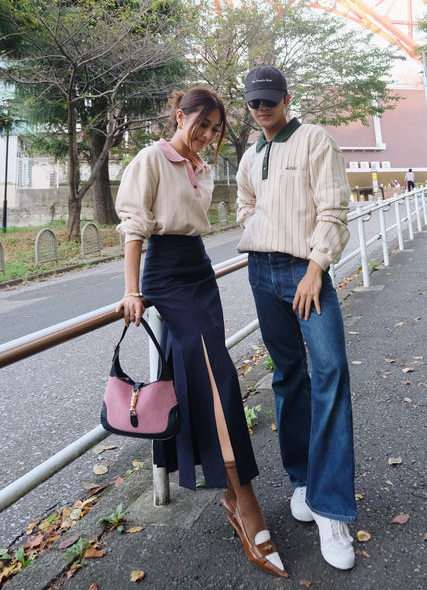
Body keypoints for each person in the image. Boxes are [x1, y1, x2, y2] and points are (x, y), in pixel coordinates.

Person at [115, 86, 287, 578]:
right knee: (218, 381)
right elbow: (134, 228)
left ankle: (232, 496)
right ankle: (247, 503)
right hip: (166, 276)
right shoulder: (151, 158)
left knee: (206, 378)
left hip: (200, 272)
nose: (208, 135)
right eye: (202, 124)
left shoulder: (202, 168)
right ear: (179, 115)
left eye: (215, 129)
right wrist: (132, 290)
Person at [236, 65, 357, 571]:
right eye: (253, 102)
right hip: (261, 274)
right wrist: (258, 226)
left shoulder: (314, 140)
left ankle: (332, 509)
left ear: (286, 99)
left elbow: (334, 210)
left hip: (305, 273)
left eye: (269, 100)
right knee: (287, 376)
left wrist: (315, 268)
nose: (261, 108)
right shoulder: (250, 154)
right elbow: (245, 205)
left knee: (330, 373)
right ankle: (303, 480)